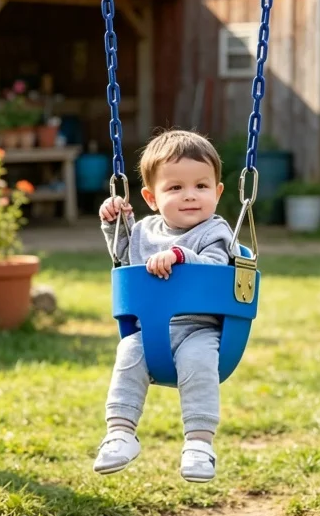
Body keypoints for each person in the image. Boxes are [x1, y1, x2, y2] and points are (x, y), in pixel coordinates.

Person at [94, 129, 233, 482]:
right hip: (151, 331)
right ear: (151, 197)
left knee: (199, 362)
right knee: (128, 354)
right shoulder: (143, 230)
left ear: (217, 192)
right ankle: (121, 433)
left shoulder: (215, 231)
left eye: (201, 187)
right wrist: (114, 222)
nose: (190, 196)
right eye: (175, 188)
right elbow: (123, 256)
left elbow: (217, 266)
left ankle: (200, 445)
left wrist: (180, 255)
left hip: (199, 329)